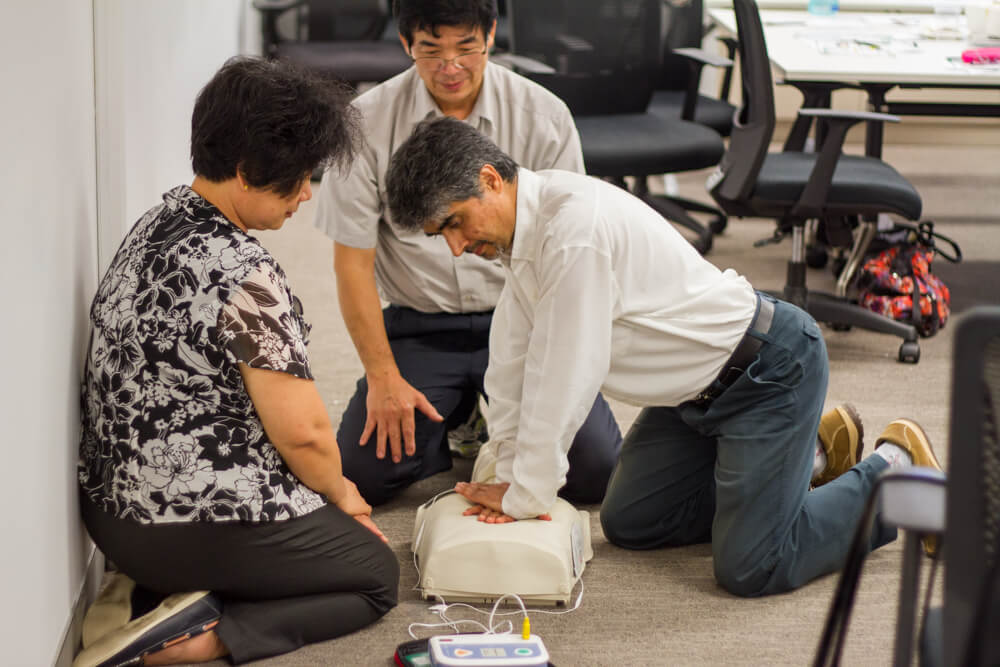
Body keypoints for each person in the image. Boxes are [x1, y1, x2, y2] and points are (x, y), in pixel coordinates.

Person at [383, 116, 945, 597]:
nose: (456, 248)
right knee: (630, 522)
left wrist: (526, 495)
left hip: (769, 370)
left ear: (489, 180)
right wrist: (505, 472)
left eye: (454, 223)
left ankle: (895, 474)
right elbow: (511, 362)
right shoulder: (526, 235)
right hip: (694, 398)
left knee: (752, 565)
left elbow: (565, 377)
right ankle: (810, 454)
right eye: (441, 236)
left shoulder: (572, 231)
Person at [74, 57, 398, 667]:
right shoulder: (246, 276)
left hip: (109, 515)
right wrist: (343, 495)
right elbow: (303, 436)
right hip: (187, 526)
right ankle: (191, 642)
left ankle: (154, 594)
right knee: (374, 573)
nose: (307, 194)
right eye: (299, 179)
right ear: (248, 173)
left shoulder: (153, 224)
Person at [312, 0, 623, 507]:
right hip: (422, 325)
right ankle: (459, 416)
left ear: (492, 35)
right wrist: (383, 377)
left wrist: (560, 361)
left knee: (594, 472)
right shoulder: (366, 123)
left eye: (466, 48)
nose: (451, 67)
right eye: (431, 51)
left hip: (525, 321)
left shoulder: (543, 117)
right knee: (362, 472)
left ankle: (475, 414)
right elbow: (352, 266)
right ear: (405, 43)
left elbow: (572, 247)